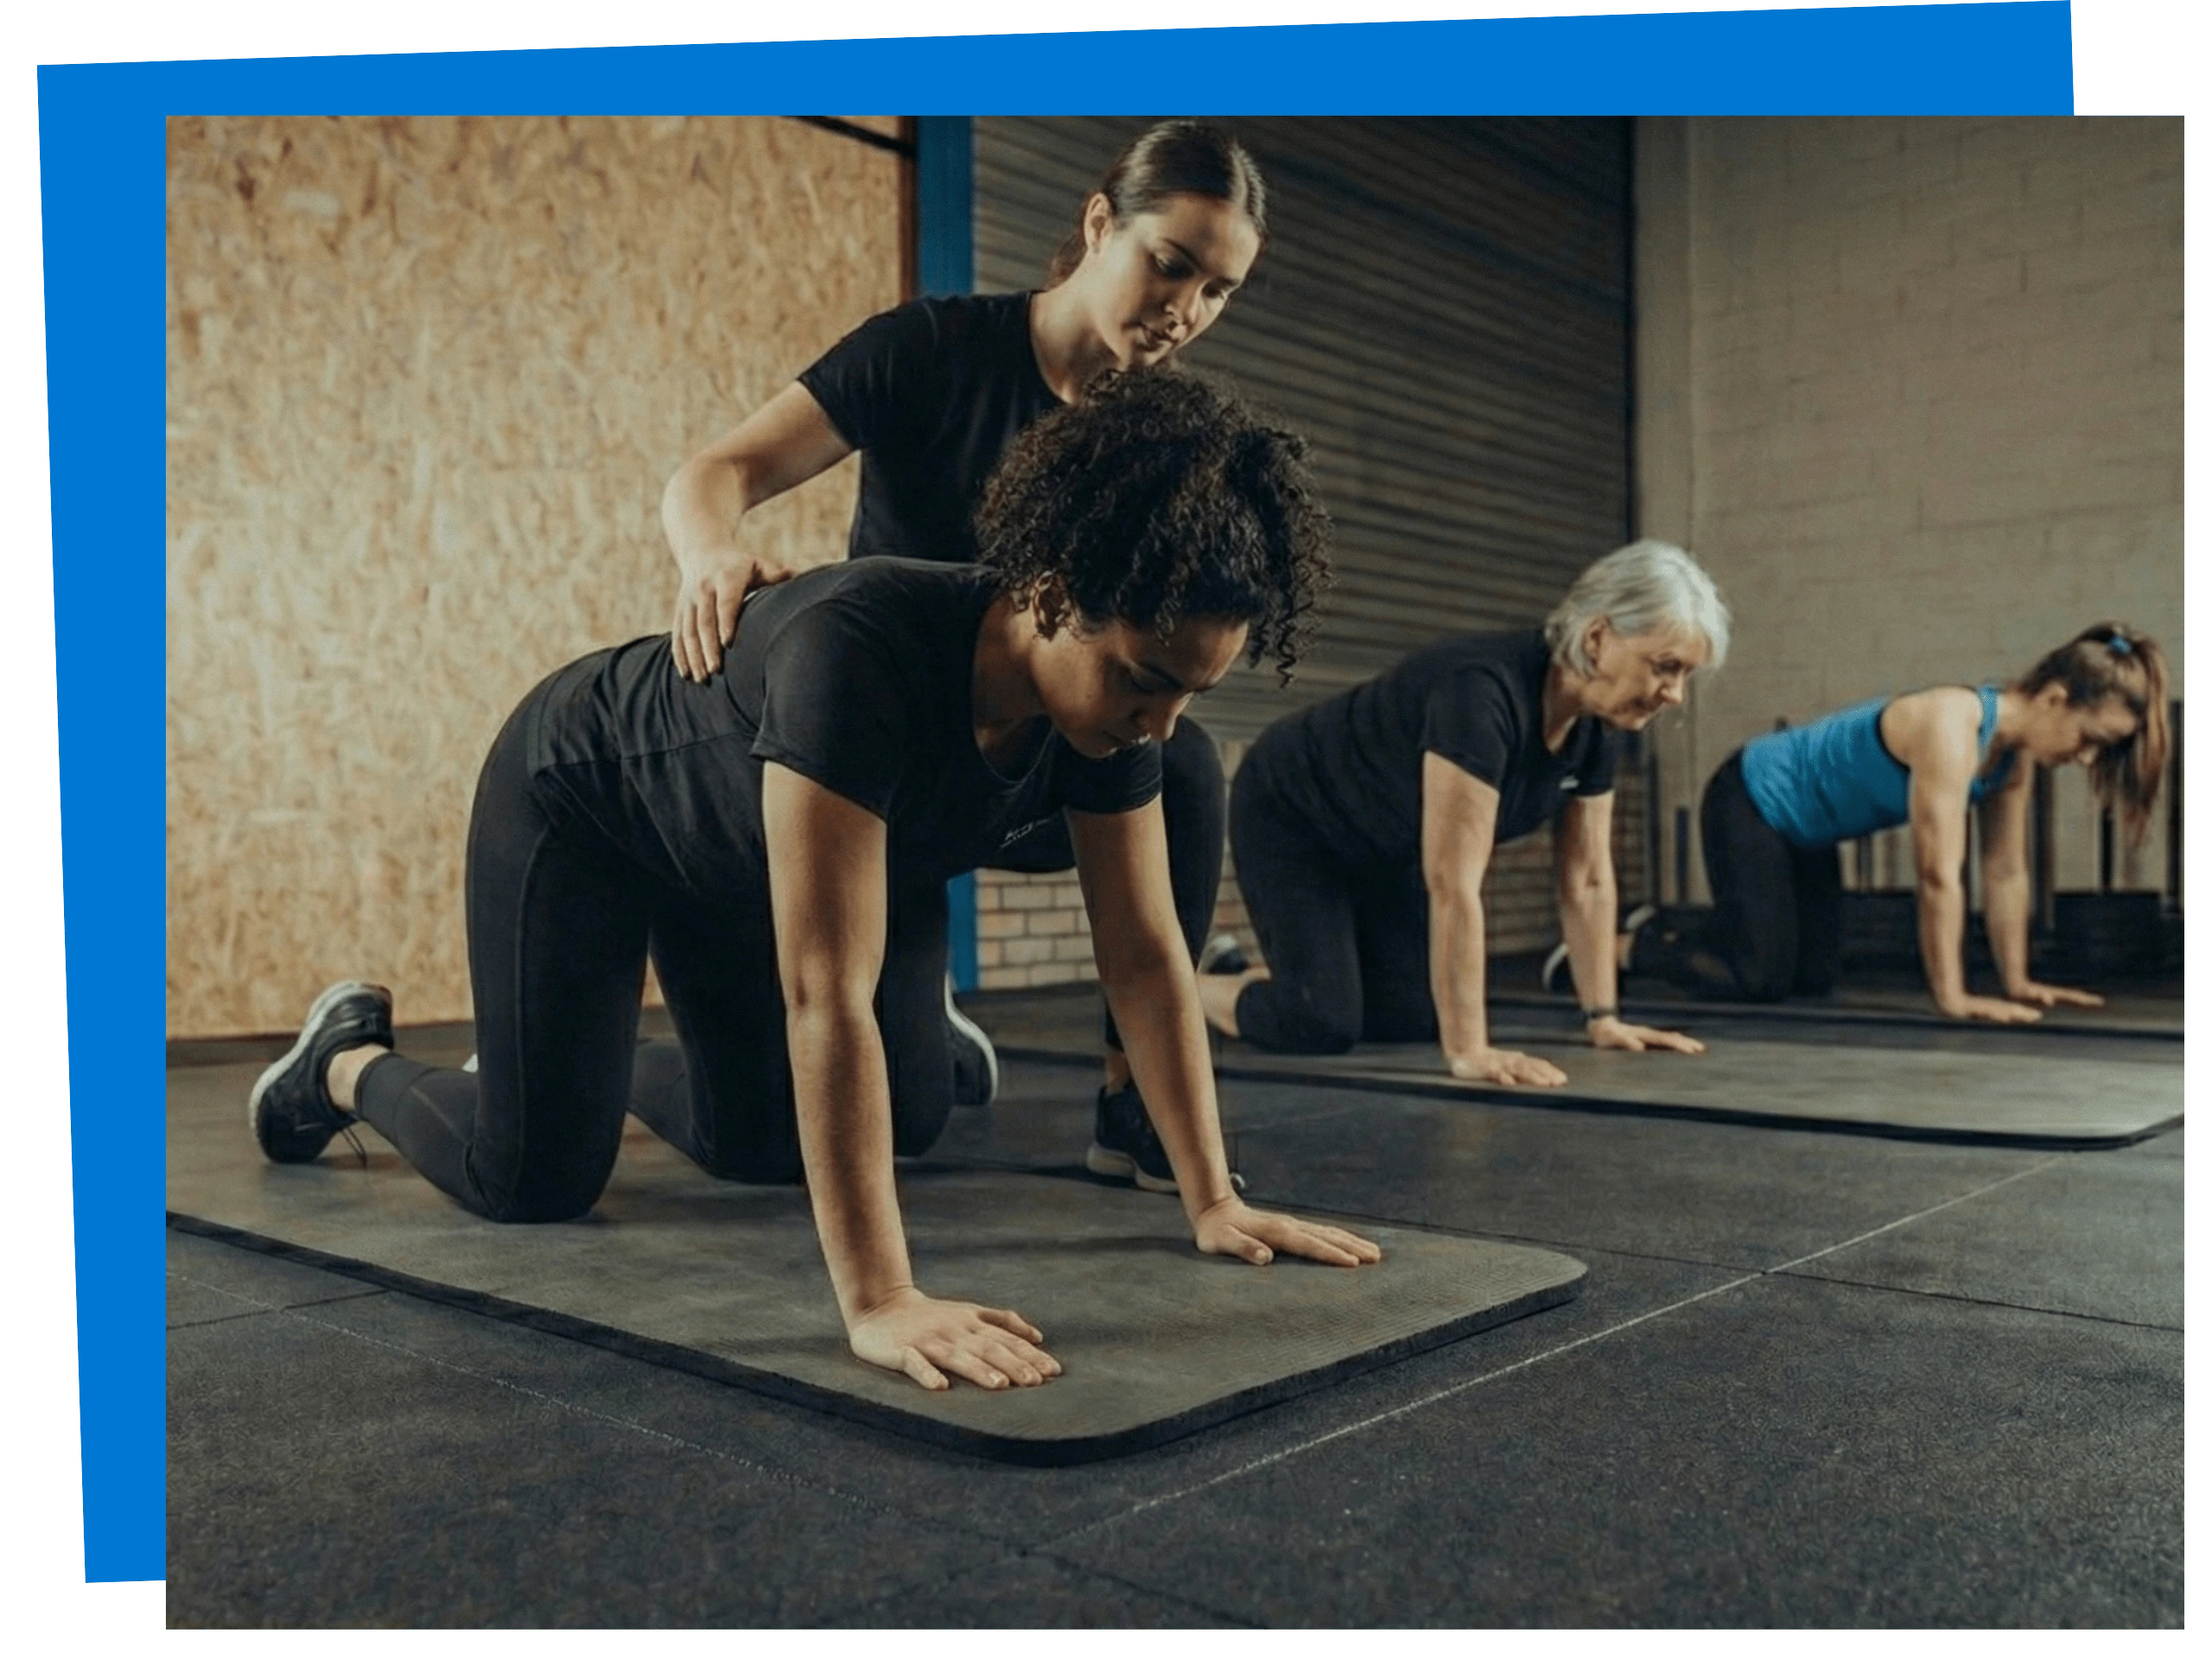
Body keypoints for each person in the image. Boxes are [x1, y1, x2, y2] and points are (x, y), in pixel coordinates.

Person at [248, 371, 1378, 1395]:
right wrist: (882, 1301)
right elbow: (826, 996)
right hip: (585, 806)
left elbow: (1144, 960)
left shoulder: (1119, 721)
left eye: (1189, 695)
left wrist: (1212, 1196)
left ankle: (563, 1054)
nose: (1162, 727)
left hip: (741, 858)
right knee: (531, 1178)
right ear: (1047, 592)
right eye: (1143, 682)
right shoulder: (861, 651)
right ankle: (348, 1063)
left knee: (762, 1146)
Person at [659, 119, 1268, 1185]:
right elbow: (717, 469)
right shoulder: (932, 350)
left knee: (1181, 763)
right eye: (1169, 265)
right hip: (875, 767)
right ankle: (604, 1056)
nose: (1185, 311)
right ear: (1097, 224)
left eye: (1218, 293)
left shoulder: (1153, 435)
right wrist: (712, 557)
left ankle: (1129, 1106)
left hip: (1027, 764)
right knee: (861, 1127)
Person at [1198, 540, 1727, 1088]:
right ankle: (1195, 988)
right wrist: (1471, 1050)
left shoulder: (1598, 728)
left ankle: (1275, 978)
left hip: (1388, 841)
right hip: (1296, 814)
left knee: (1416, 1016)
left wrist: (1604, 1018)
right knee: (1319, 1021)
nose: (1676, 695)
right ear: (1597, 639)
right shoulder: (1480, 694)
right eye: (1666, 668)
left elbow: (1589, 878)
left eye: (1686, 675)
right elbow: (1453, 883)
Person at [1632, 624, 2170, 1021]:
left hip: (1812, 834)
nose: (2088, 759)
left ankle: (1704, 931)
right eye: (2091, 740)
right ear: (2055, 699)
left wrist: (2017, 980)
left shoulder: (2012, 759)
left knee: (1811, 978)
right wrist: (1952, 996)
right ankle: (1634, 945)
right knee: (1757, 978)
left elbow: (2006, 871)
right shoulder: (1952, 726)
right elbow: (1939, 875)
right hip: (1751, 798)